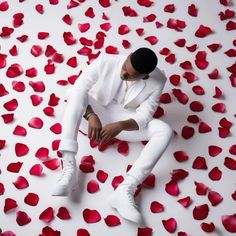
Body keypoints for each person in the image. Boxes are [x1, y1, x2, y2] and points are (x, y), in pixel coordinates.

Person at [52, 47, 173, 224]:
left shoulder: (158, 80)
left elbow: (145, 115)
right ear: (128, 57)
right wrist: (91, 114)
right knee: (73, 92)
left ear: (145, 76)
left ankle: (125, 190)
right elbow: (80, 87)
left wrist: (120, 125)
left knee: (164, 130)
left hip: (123, 123)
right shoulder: (105, 60)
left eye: (131, 75)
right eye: (125, 68)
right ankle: (69, 166)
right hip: (93, 113)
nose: (123, 74)